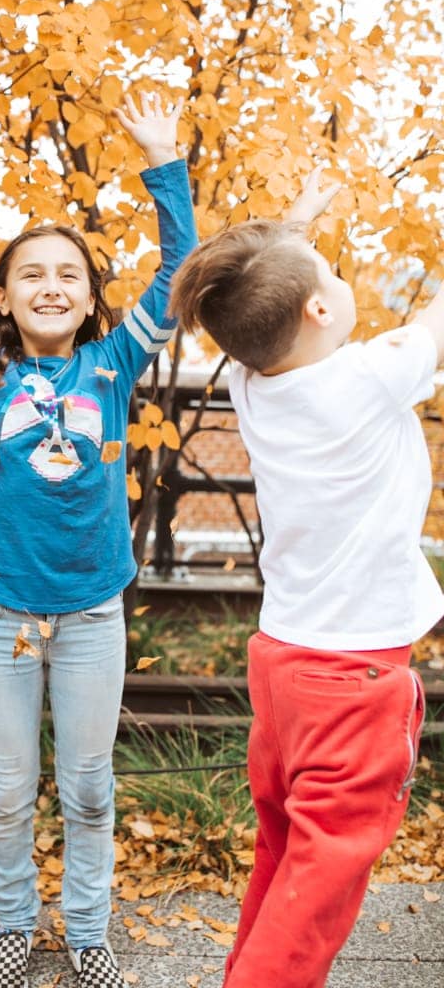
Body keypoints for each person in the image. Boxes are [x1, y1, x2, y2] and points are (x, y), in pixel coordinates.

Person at [0, 69, 198, 988]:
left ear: (90, 296)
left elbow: (180, 268)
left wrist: (163, 163)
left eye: (69, 272)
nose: (52, 284)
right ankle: (16, 928)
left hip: (91, 614)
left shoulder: (113, 362)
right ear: (3, 295)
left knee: (90, 788)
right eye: (31, 272)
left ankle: (89, 930)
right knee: (4, 791)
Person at [169, 168, 444, 988]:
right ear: (321, 308)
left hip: (286, 664)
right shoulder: (366, 376)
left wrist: (291, 228)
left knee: (286, 852)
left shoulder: (257, 381)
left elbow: (258, 305)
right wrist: (294, 240)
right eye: (328, 271)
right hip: (351, 679)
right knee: (322, 878)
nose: (338, 277)